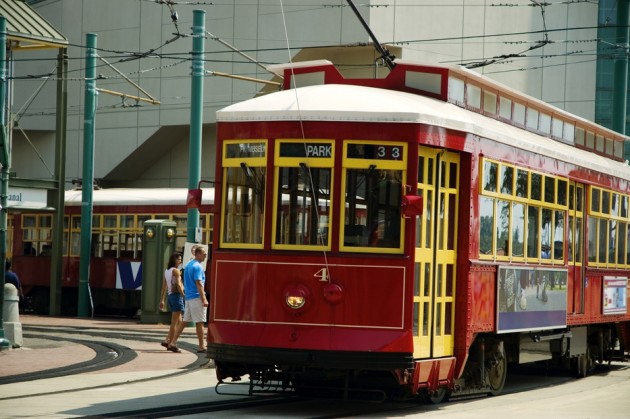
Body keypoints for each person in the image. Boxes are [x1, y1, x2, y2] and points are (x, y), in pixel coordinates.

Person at [178, 245, 208, 353]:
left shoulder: (188, 265)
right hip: (196, 297)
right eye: (204, 254)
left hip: (189, 297)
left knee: (184, 321)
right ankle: (201, 346)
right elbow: (199, 283)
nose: (206, 256)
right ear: (198, 254)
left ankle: (172, 341)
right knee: (200, 322)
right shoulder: (198, 267)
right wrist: (204, 299)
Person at [159, 253, 184, 353]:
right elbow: (178, 284)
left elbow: (164, 286)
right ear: (174, 260)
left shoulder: (167, 271)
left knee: (180, 322)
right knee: (174, 323)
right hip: (177, 297)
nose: (180, 261)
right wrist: (183, 295)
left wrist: (162, 299)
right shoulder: (176, 270)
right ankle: (172, 344)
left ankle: (167, 340)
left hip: (170, 297)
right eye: (179, 259)